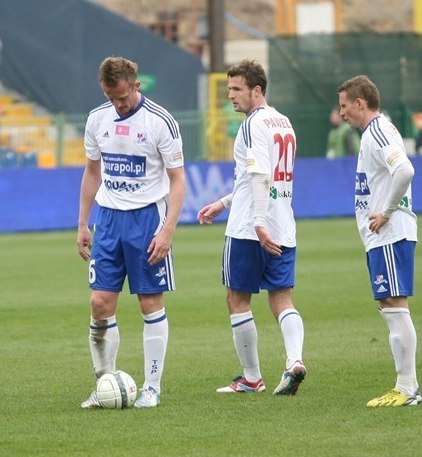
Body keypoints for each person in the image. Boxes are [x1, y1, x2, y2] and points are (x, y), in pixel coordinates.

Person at [77, 56, 186, 409]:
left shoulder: (160, 121)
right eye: (111, 98)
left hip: (147, 220)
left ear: (135, 85)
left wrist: (167, 230)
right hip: (108, 220)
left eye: (122, 97)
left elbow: (178, 179)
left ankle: (152, 386)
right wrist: (82, 222)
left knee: (149, 302)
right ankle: (105, 382)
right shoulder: (96, 119)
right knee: (99, 304)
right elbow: (92, 171)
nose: (117, 104)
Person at [197, 59, 306, 396]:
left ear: (256, 90)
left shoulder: (251, 125)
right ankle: (294, 361)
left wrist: (257, 222)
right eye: (229, 89)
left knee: (236, 298)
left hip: (249, 228)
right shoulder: (283, 121)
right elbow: (260, 178)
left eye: (236, 89)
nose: (230, 95)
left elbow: (259, 175)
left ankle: (252, 378)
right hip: (283, 224)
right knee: (282, 300)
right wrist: (224, 201)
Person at [337, 75, 421, 407]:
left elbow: (405, 170)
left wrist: (385, 211)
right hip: (383, 236)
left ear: (360, 103)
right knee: (390, 306)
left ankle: (407, 386)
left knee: (395, 306)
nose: (341, 113)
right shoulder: (375, 133)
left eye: (344, 106)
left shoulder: (378, 132)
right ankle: (407, 385)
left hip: (390, 233)